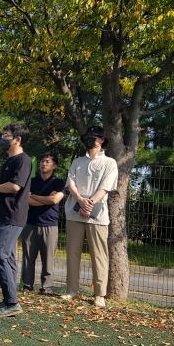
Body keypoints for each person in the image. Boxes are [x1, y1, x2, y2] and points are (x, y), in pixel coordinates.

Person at [62, 126, 118, 308]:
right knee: (72, 253)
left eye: (93, 137)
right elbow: (70, 183)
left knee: (99, 255)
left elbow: (105, 187)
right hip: (74, 212)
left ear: (101, 140)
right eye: (87, 136)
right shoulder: (77, 161)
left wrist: (89, 203)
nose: (89, 139)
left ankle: (99, 294)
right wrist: (80, 200)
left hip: (98, 216)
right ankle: (72, 290)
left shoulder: (110, 163)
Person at [0, 123, 32, 317]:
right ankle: (9, 299)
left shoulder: (23, 160)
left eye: (6, 136)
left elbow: (15, 187)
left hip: (14, 215)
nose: (2, 139)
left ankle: (12, 302)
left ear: (17, 139)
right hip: (5, 214)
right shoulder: (9, 160)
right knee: (8, 257)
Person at [20, 152, 65, 293]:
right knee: (28, 258)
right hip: (30, 224)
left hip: (50, 226)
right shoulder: (31, 181)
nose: (43, 164)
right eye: (42, 161)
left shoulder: (59, 182)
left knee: (48, 260)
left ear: (54, 165)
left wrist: (33, 196)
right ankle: (27, 285)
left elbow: (54, 200)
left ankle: (46, 287)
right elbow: (26, 201)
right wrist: (45, 199)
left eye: (47, 161)